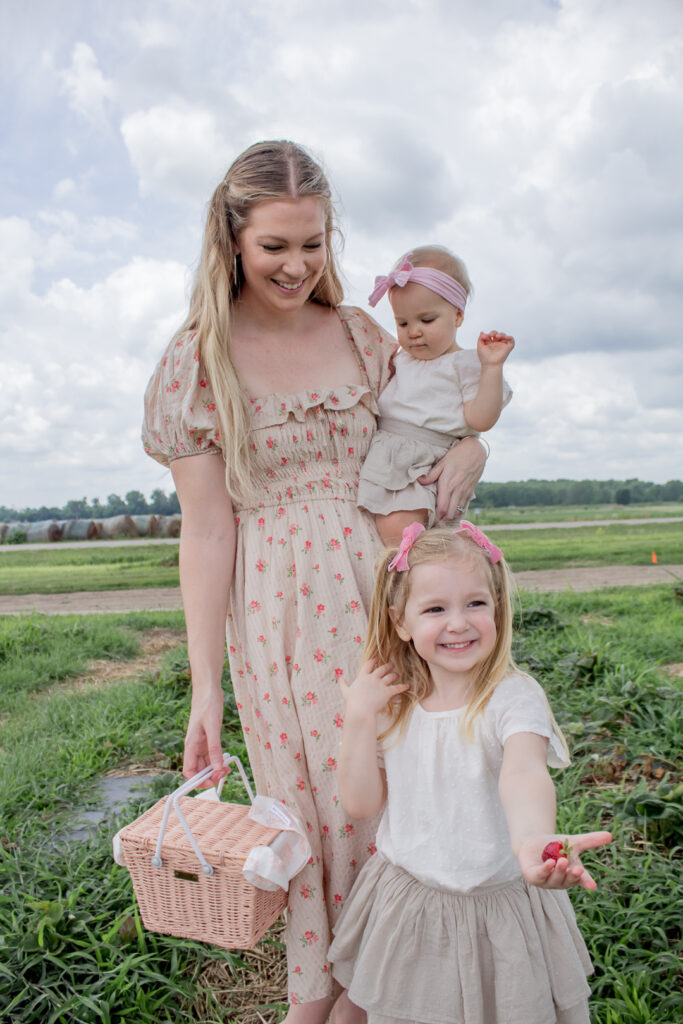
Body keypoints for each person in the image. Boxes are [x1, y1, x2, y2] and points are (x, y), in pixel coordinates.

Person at [141, 140, 488, 1024]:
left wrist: (471, 443)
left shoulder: (366, 335)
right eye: (275, 247)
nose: (296, 266)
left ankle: (382, 993)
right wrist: (204, 687)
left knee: (404, 799)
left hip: (388, 590)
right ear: (230, 242)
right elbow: (208, 529)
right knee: (318, 808)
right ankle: (324, 998)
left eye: (313, 244)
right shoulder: (196, 361)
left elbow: (432, 425)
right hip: (279, 613)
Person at [329, 522, 612, 1024]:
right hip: (412, 905)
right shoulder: (395, 704)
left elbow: (524, 773)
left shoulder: (512, 697)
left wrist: (533, 840)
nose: (458, 623)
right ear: (400, 622)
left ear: (497, 609)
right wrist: (358, 717)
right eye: (435, 609)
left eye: (476, 604)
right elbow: (360, 804)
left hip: (501, 904)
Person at [357, 246, 514, 546]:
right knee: (385, 535)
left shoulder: (466, 363)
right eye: (403, 323)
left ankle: (413, 579)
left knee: (403, 534)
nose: (413, 332)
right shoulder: (400, 360)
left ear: (457, 316)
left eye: (426, 320)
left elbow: (480, 419)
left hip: (427, 462)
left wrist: (491, 368)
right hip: (387, 456)